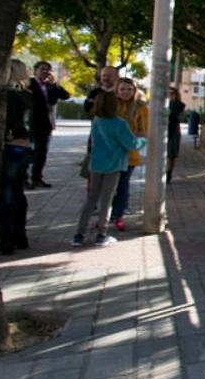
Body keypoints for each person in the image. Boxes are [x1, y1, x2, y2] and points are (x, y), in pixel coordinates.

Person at [74, 90, 145, 247]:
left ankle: (79, 234)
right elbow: (131, 144)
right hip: (113, 165)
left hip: (96, 164)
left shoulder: (97, 121)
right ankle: (101, 234)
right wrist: (142, 140)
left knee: (91, 199)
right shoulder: (119, 123)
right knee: (106, 200)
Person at [0, 59, 35, 255]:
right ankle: (19, 235)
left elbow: (8, 124)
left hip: (11, 148)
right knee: (16, 192)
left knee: (6, 194)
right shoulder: (26, 95)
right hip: (23, 148)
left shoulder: (9, 96)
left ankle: (6, 239)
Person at [109, 78, 147, 231]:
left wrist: (131, 137)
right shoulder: (110, 104)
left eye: (129, 89)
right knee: (107, 186)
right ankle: (106, 215)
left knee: (122, 185)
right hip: (110, 152)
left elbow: (143, 131)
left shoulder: (140, 107)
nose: (126, 92)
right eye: (123, 89)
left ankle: (118, 216)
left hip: (129, 152)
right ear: (117, 90)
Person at [27, 61, 71, 188]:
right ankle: (24, 179)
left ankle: (36, 178)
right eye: (42, 69)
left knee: (41, 153)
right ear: (35, 71)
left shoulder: (50, 86)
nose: (45, 72)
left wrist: (54, 84)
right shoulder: (29, 84)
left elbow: (66, 96)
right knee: (28, 153)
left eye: (48, 70)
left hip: (46, 125)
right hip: (31, 124)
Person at [166, 88, 185, 183]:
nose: (170, 95)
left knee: (171, 155)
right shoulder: (163, 104)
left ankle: (169, 173)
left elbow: (173, 114)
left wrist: (172, 101)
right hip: (163, 131)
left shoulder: (179, 105)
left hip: (173, 131)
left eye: (172, 93)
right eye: (168, 93)